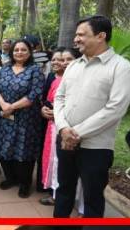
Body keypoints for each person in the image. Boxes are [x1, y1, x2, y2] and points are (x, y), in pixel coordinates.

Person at [53, 15, 130, 218]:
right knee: (63, 192)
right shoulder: (73, 65)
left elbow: (115, 109)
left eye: (81, 34)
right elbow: (59, 98)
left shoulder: (122, 68)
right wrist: (63, 129)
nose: (76, 39)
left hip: (96, 148)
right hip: (64, 141)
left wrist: (76, 133)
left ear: (101, 36)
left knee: (92, 199)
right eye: (76, 35)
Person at [0, 38, 45, 198]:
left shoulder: (35, 70)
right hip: (5, 117)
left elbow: (34, 94)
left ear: (29, 52)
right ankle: (10, 178)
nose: (19, 52)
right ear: (11, 52)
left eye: (23, 50)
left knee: (24, 151)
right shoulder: (5, 68)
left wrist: (12, 107)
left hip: (26, 119)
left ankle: (25, 183)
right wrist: (3, 105)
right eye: (16, 50)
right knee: (4, 148)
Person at [39, 47, 77, 207]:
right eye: (61, 60)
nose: (62, 63)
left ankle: (63, 197)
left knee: (62, 162)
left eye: (68, 59)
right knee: (54, 160)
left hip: (69, 127)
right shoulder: (55, 79)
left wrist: (57, 113)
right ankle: (55, 193)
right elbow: (47, 99)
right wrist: (44, 109)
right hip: (53, 125)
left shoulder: (78, 79)